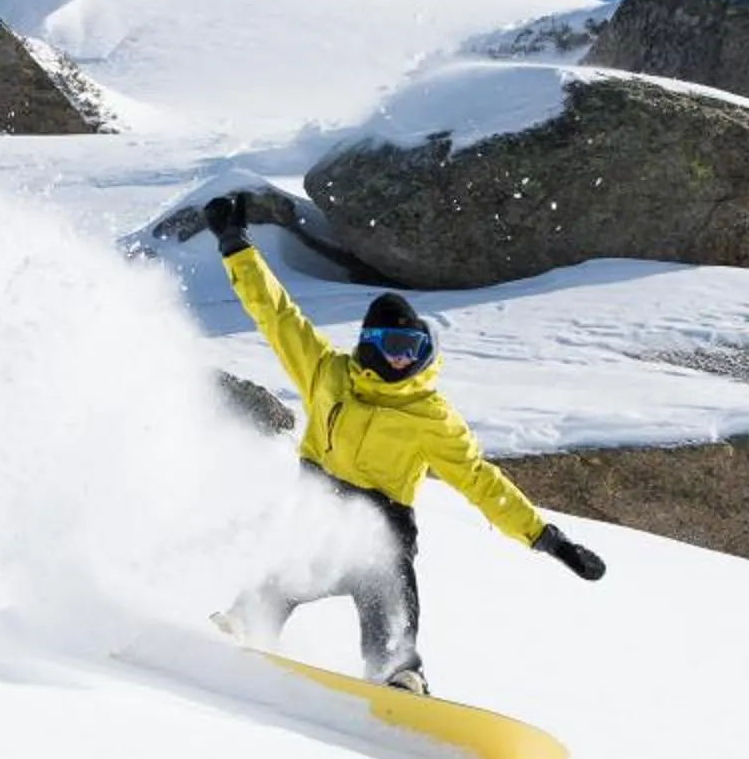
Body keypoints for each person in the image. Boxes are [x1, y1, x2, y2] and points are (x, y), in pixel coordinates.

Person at [202, 191, 604, 695]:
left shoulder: (431, 416)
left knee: (386, 571)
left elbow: (480, 482)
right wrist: (235, 244)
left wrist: (548, 539)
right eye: (389, 347)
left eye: (409, 348)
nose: (399, 360)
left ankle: (397, 672)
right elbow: (276, 314)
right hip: (318, 505)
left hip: (381, 517)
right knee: (296, 562)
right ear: (368, 345)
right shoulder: (326, 373)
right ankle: (246, 624)